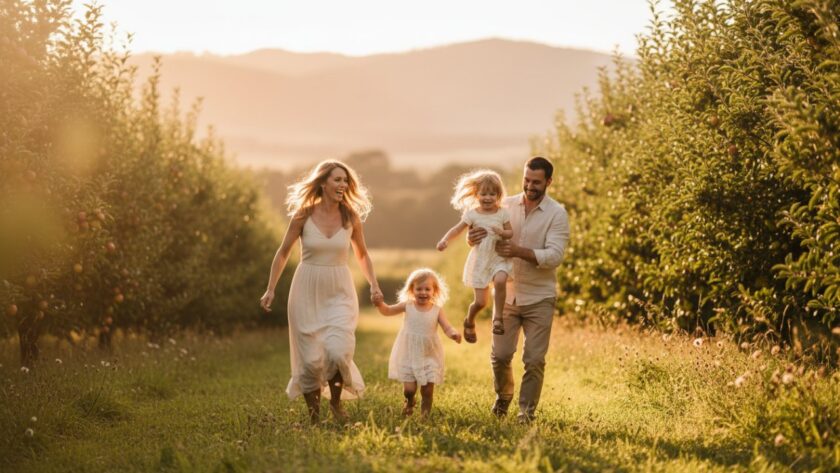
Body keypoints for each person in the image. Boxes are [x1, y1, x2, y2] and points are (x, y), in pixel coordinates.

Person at [260, 160, 383, 424]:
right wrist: (270, 288)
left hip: (339, 289)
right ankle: (314, 417)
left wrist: (374, 284)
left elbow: (362, 254)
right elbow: (283, 253)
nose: (343, 185)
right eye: (337, 180)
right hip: (306, 289)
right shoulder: (303, 215)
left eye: (345, 180)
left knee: (338, 350)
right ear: (323, 183)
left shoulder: (350, 216)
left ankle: (336, 404)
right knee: (310, 360)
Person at [468, 157, 569, 423]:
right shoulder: (505, 206)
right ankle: (504, 397)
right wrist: (472, 238)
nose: (529, 186)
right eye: (526, 180)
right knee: (500, 356)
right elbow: (482, 235)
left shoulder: (557, 213)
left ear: (549, 182)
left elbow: (555, 256)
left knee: (534, 359)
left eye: (536, 182)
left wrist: (519, 252)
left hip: (540, 297)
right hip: (507, 296)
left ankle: (526, 412)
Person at [436, 170, 513, 343]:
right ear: (476, 194)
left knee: (500, 281)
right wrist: (445, 240)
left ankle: (498, 319)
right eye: (483, 193)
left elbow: (510, 232)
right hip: (480, 261)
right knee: (480, 303)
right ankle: (469, 320)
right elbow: (457, 229)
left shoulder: (502, 213)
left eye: (492, 194)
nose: (487, 197)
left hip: (498, 258)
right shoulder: (473, 214)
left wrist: (503, 232)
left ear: (499, 195)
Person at [373, 268, 461, 417]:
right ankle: (409, 400)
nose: (423, 292)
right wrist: (380, 304)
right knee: (409, 390)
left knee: (427, 389)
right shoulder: (407, 305)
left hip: (429, 353)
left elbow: (446, 326)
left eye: (427, 289)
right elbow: (387, 311)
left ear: (435, 291)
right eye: (419, 289)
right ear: (412, 290)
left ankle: (424, 416)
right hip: (408, 352)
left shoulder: (437, 310)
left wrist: (453, 333)